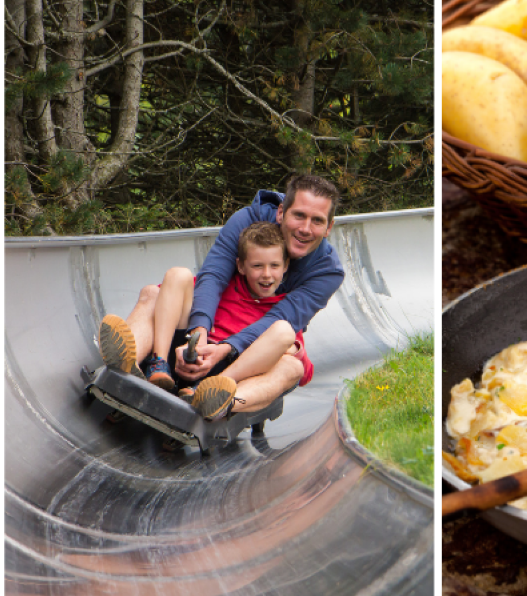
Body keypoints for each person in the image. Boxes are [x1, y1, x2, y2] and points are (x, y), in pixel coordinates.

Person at [98, 174, 344, 420]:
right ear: (281, 213)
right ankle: (130, 365)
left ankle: (218, 398)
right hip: (206, 332)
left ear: (329, 227)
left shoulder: (327, 271)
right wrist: (199, 333)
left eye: (317, 221)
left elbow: (283, 319)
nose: (305, 229)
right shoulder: (248, 222)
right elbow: (213, 275)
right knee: (154, 293)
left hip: (244, 355)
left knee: (291, 364)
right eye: (299, 215)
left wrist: (225, 349)